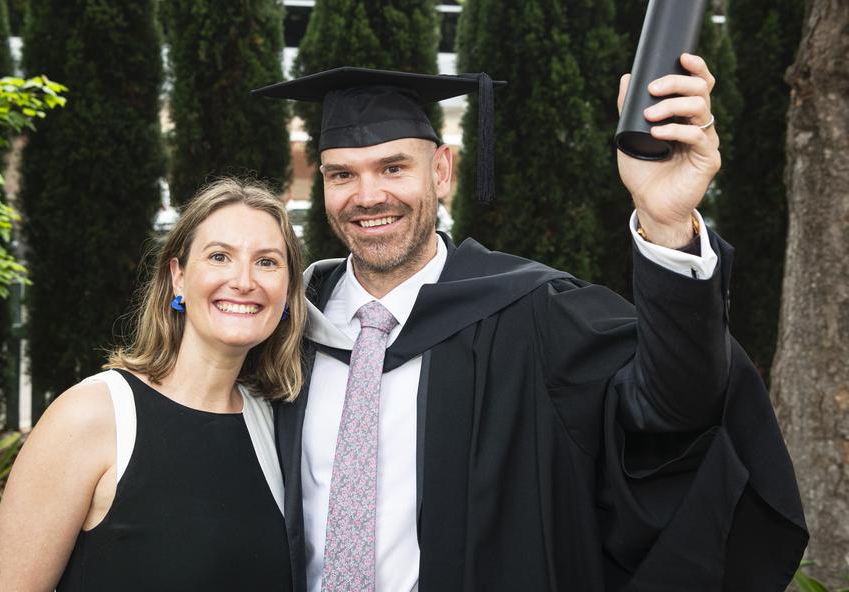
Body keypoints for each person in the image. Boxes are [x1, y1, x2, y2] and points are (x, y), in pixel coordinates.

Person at [254, 58, 808, 592]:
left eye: (394, 167)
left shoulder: (532, 312)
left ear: (442, 170)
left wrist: (666, 223)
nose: (368, 195)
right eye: (342, 174)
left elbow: (677, 404)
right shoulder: (283, 326)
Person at [0, 178, 306, 591]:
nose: (244, 280)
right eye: (220, 256)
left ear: (288, 288)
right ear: (178, 277)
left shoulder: (276, 424)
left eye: (267, 262)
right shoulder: (93, 417)